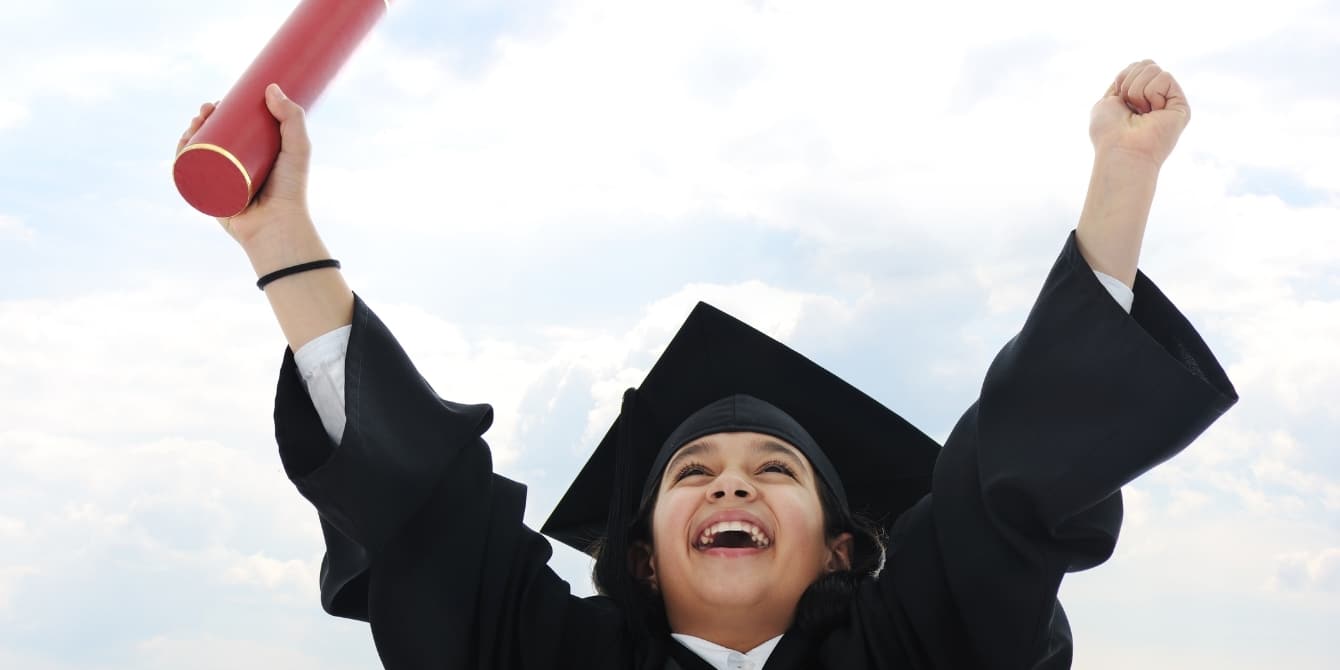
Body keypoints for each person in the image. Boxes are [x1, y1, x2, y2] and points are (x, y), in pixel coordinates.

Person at [177, 59, 1237, 669]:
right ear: (641, 556)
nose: (730, 477)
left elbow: (1009, 480)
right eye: (692, 471)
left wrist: (1120, 178)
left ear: (839, 550)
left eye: (775, 468)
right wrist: (282, 240)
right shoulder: (547, 660)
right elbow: (422, 512)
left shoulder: (914, 651)